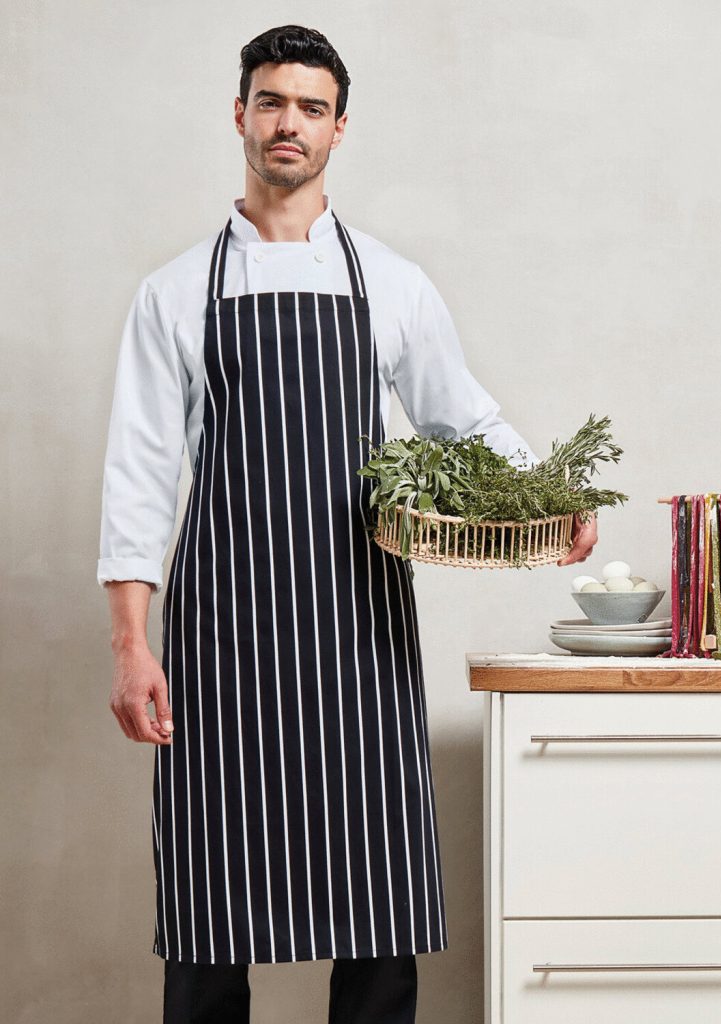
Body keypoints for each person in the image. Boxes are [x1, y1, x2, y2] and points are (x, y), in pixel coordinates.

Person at [97, 24, 598, 1024]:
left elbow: (464, 415)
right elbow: (141, 471)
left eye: (311, 107)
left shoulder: (392, 284)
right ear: (240, 114)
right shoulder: (175, 294)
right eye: (272, 102)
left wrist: (551, 490)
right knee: (210, 896)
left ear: (339, 128)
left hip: (357, 629)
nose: (290, 123)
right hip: (222, 632)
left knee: (377, 897)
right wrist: (130, 643)